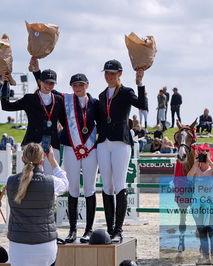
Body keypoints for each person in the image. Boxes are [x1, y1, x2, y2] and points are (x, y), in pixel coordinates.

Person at [97, 59, 146, 242]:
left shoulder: (126, 92)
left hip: (120, 142)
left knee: (119, 183)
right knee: (106, 186)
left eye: (112, 73)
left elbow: (142, 105)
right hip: (103, 142)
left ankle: (118, 229)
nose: (109, 76)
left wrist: (140, 83)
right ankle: (109, 228)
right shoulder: (101, 95)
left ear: (120, 74)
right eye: (106, 73)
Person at [6, 143, 68, 266]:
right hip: (45, 245)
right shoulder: (51, 182)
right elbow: (66, 183)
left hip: (18, 246)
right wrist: (53, 161)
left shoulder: (10, 181)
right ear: (42, 160)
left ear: (22, 159)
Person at [2, 58, 65, 174]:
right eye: (46, 82)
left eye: (51, 83)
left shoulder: (59, 100)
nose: (49, 85)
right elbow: (6, 106)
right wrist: (5, 84)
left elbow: (65, 122)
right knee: (30, 178)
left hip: (53, 145)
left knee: (52, 180)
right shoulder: (29, 99)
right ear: (40, 82)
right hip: (32, 144)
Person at [60, 73, 99, 243]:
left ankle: (89, 229)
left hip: (90, 149)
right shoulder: (66, 103)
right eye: (75, 85)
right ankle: (73, 230)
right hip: (71, 148)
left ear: (87, 85)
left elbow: (102, 123)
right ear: (71, 87)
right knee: (73, 189)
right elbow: (46, 89)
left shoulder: (96, 103)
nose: (78, 88)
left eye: (81, 85)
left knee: (89, 188)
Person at [187, 148, 213, 265]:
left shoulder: (212, 170)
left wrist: (209, 160)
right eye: (203, 158)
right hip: (198, 204)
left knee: (212, 231)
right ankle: (205, 256)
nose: (204, 161)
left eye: (205, 158)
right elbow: (189, 177)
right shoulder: (196, 170)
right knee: (202, 231)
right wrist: (195, 165)